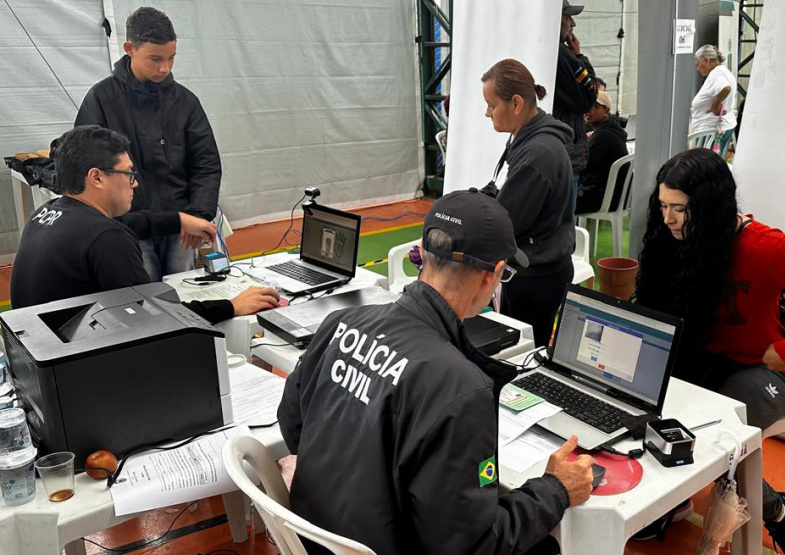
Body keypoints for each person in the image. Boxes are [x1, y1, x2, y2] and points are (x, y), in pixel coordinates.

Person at [278, 190, 594, 555]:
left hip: (317, 538)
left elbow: (292, 420)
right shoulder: (461, 388)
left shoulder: (341, 322)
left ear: (424, 254)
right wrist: (554, 489)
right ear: (492, 274)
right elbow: (471, 547)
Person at [635, 149, 785, 555]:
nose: (668, 219)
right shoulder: (674, 240)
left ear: (709, 207)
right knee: (644, 410)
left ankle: (780, 513)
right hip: (707, 360)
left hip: (765, 370)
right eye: (662, 206)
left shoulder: (765, 246)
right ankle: (674, 499)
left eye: (679, 209)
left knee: (716, 443)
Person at [10, 126, 279, 323]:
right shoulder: (106, 237)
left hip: (43, 353)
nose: (135, 183)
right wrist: (231, 306)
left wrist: (179, 219)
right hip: (82, 369)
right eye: (128, 174)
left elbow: (128, 222)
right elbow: (155, 318)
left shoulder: (48, 214)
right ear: (97, 177)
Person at [75, 6, 221, 281]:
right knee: (145, 300)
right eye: (155, 59)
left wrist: (198, 215)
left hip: (181, 225)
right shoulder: (101, 100)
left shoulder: (186, 103)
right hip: (128, 227)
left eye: (171, 58)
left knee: (184, 294)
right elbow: (88, 169)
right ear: (129, 48)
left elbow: (206, 164)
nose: (164, 68)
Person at [480, 59, 575, 347]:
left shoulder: (538, 154)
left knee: (524, 353)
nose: (487, 113)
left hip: (536, 276)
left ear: (517, 103)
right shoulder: (530, 139)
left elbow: (506, 223)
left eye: (492, 105)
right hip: (540, 265)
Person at [554, 0, 600, 178]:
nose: (573, 23)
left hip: (557, 149)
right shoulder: (563, 55)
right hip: (566, 151)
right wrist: (580, 57)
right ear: (557, 20)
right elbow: (589, 95)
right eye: (568, 17)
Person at [575, 90, 629, 215]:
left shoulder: (603, 136)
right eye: (587, 104)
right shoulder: (612, 131)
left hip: (605, 198)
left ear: (606, 111)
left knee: (556, 200)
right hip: (618, 197)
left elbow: (582, 166)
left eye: (595, 106)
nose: (589, 109)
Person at [690, 45, 738, 149]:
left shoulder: (716, 75)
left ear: (707, 60)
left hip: (711, 130)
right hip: (722, 126)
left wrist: (715, 105)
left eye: (698, 64)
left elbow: (725, 88)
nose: (697, 69)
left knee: (705, 164)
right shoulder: (724, 72)